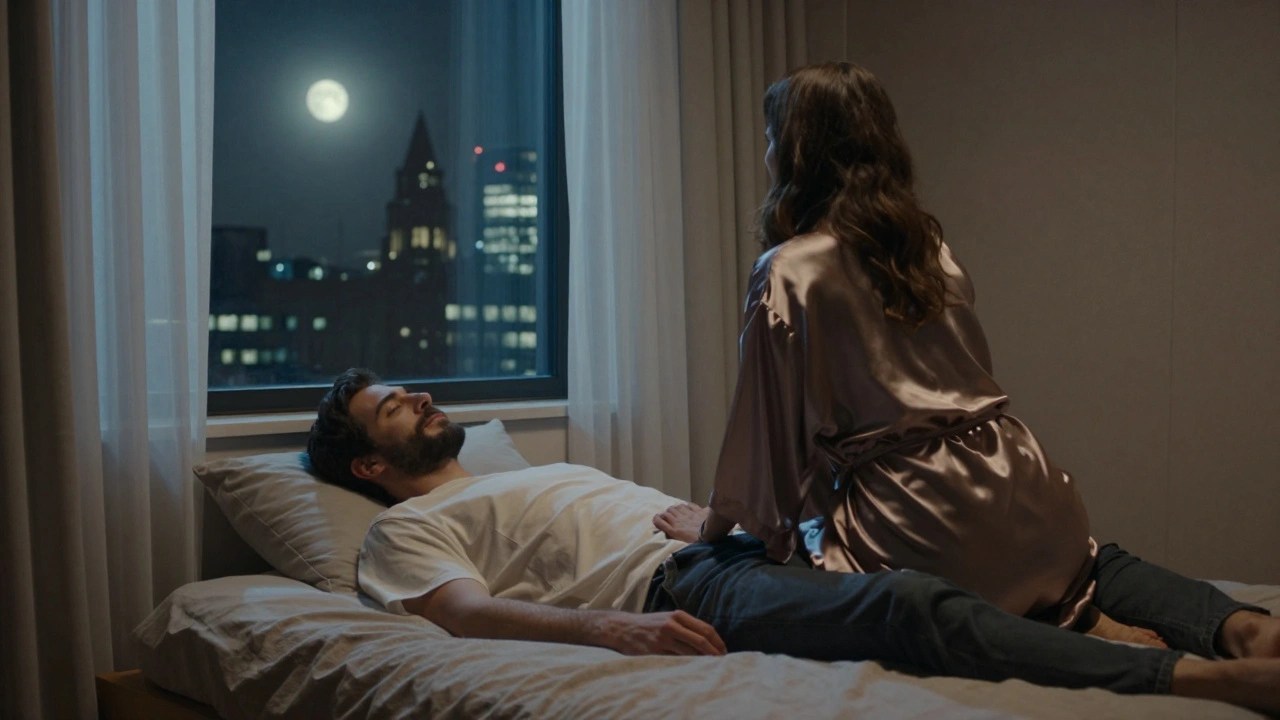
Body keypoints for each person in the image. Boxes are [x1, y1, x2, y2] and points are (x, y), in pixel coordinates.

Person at [305, 369, 1280, 714]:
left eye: (410, 388)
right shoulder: (401, 532)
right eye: (393, 406)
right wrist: (614, 630)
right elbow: (465, 615)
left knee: (1038, 542)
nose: (418, 396)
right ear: (368, 468)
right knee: (901, 603)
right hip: (683, 588)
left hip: (737, 545)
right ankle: (1191, 684)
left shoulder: (526, 477)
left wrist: (725, 519)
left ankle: (1236, 628)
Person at [697, 61, 1102, 630]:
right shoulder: (925, 246)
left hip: (921, 523)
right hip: (1032, 503)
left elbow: (766, 445)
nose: (766, 155)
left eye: (770, 139)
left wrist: (711, 527)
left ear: (796, 153)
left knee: (715, 578)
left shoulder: (790, 269)